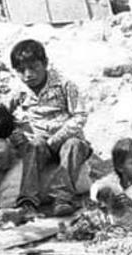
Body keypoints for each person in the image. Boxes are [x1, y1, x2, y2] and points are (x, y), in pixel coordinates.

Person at [7, 39, 92, 217]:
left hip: (66, 138)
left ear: (45, 64)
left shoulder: (64, 85)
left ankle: (62, 199)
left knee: (73, 145)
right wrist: (17, 134)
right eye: (21, 70)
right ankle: (27, 202)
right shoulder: (19, 91)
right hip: (41, 142)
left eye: (33, 68)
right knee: (34, 146)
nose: (28, 75)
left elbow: (80, 116)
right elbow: (5, 116)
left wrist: (57, 138)